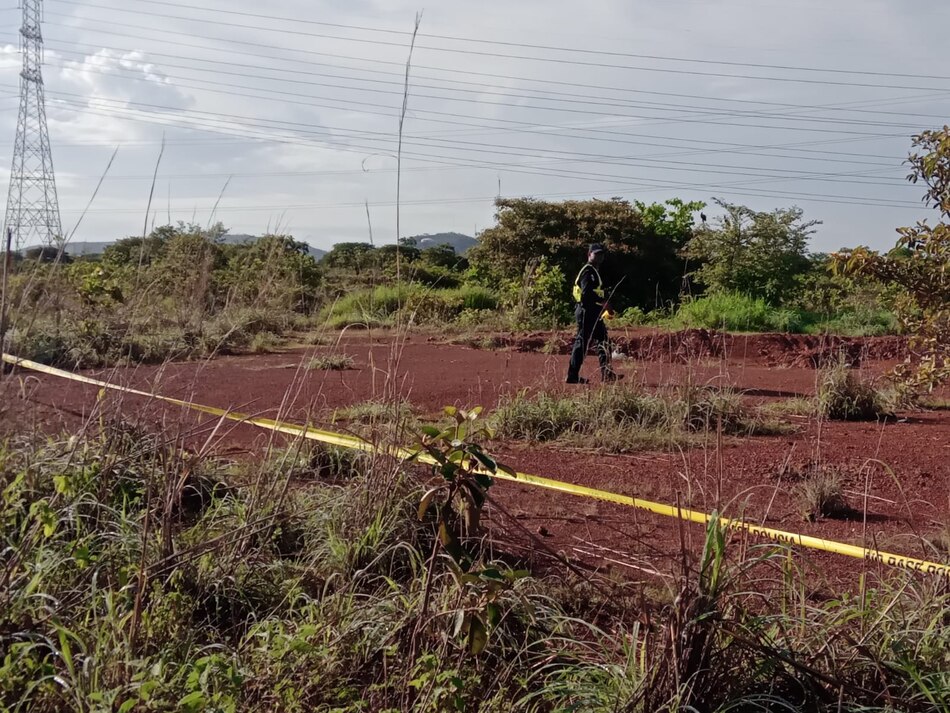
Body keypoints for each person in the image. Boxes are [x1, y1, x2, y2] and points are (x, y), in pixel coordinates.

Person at [566, 244, 620, 384]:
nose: (599, 256)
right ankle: (572, 375)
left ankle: (607, 374)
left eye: (601, 254)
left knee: (603, 341)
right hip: (586, 311)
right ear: (589, 254)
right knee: (582, 343)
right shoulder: (588, 271)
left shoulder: (594, 271)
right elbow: (586, 294)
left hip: (593, 312)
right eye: (596, 254)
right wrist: (604, 302)